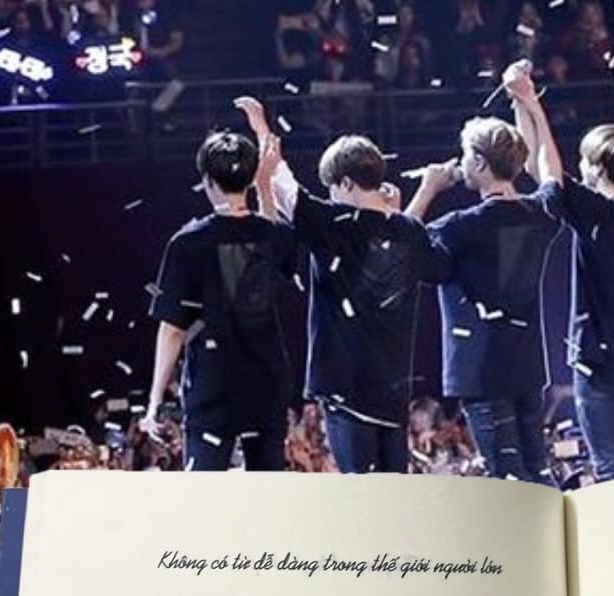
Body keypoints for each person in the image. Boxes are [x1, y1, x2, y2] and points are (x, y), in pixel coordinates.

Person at [235, 97, 446, 474]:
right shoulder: (408, 230)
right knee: (394, 493)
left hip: (345, 387)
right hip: (393, 391)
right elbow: (394, 251)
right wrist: (400, 208)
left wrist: (261, 127)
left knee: (360, 493)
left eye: (332, 187)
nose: (330, 195)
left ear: (346, 182)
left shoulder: (332, 222)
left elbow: (282, 186)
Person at [505, 56, 614, 481]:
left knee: (613, 469)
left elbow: (542, 169)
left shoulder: (596, 212)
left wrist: (530, 103)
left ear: (595, 168)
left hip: (600, 358)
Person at [407, 104, 561, 483]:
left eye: (464, 156)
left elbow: (400, 250)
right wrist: (529, 104)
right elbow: (552, 174)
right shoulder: (540, 214)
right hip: (527, 362)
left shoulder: (460, 227)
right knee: (537, 468)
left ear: (478, 163)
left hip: (482, 369)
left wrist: (427, 189)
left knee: (507, 475)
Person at [143, 129, 294, 470]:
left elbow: (173, 329)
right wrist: (264, 186)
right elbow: (269, 233)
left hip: (212, 390)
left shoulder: (187, 243)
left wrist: (154, 401)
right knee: (270, 491)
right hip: (267, 387)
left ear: (207, 181)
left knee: (204, 492)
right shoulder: (275, 235)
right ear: (250, 177)